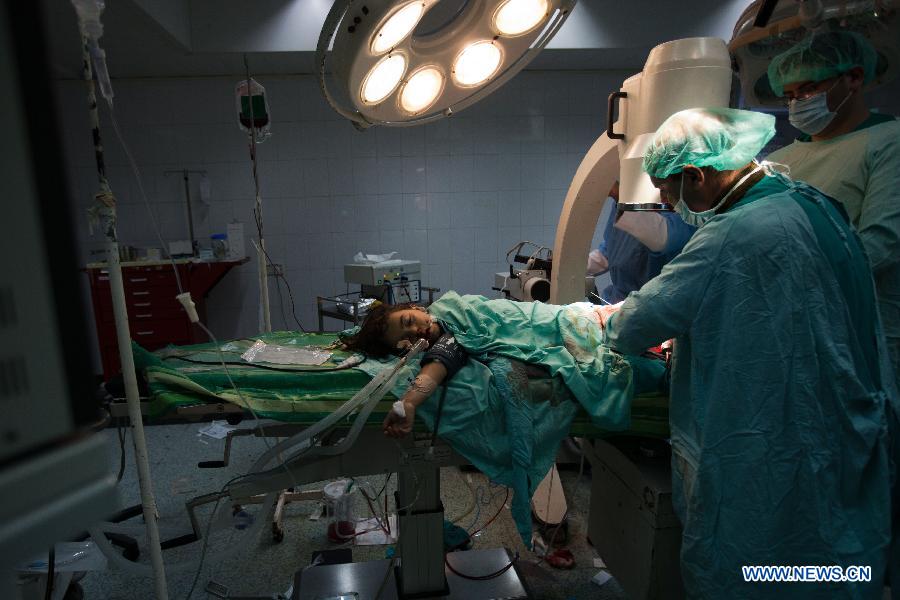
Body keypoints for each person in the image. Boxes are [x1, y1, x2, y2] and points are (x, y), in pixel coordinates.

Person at [600, 106, 895, 598]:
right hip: (842, 414)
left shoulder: (732, 234)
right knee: (832, 552)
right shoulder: (809, 201)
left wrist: (607, 320)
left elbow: (634, 325)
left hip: (766, 440)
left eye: (670, 191)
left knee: (756, 561)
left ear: (695, 175)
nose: (670, 204)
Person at [342, 292, 667, 546]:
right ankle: (661, 355)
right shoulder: (444, 341)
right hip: (571, 325)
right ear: (406, 347)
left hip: (565, 320)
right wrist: (410, 402)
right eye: (408, 334)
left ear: (415, 307)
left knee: (627, 325)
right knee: (640, 363)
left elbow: (469, 339)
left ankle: (657, 341)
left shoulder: (452, 310)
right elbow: (442, 359)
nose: (416, 328)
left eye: (410, 318)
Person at [766, 31, 900, 392]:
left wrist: (790, 280)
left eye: (808, 89)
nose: (797, 103)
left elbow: (880, 245)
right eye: (790, 95)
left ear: (853, 78)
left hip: (859, 332)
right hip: (787, 328)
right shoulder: (780, 161)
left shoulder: (889, 142)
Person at [587, 181, 696, 304]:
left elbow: (661, 237)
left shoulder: (689, 212)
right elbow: (611, 248)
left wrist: (623, 198)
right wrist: (579, 269)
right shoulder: (622, 203)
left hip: (655, 307)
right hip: (619, 302)